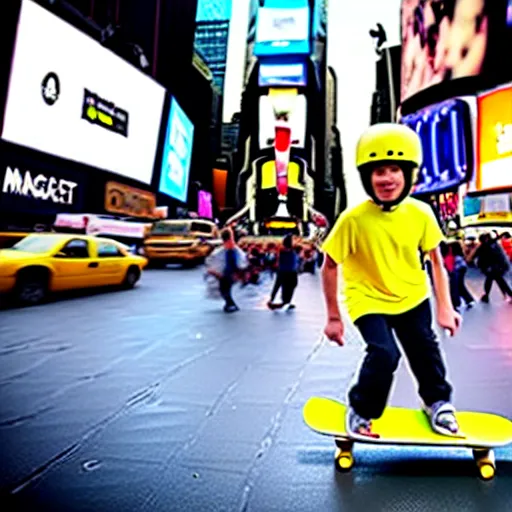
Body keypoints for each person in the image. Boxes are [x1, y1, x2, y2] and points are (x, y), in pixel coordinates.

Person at [321, 123, 462, 439]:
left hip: (412, 295)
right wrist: (333, 317)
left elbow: (437, 262)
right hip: (368, 298)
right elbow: (329, 265)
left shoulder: (421, 213)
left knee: (425, 350)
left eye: (395, 169)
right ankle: (361, 408)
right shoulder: (352, 219)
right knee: (384, 354)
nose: (386, 179)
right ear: (367, 177)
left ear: (409, 174)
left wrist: (446, 308)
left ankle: (437, 403)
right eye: (378, 171)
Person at [206, 227, 247, 313]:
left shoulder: (228, 247)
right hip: (228, 271)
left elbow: (236, 258)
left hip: (229, 271)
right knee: (224, 289)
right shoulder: (228, 247)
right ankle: (230, 304)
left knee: (224, 288)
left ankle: (230, 304)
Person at [471, 233, 512, 303]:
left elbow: (476, 256)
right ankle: (506, 294)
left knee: (494, 281)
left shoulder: (486, 246)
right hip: (498, 266)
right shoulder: (493, 244)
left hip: (494, 267)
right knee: (498, 281)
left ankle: (487, 296)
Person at [268, 234, 299, 310]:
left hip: (288, 271)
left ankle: (285, 301)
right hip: (287, 271)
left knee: (285, 285)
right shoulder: (283, 250)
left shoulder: (289, 250)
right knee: (285, 285)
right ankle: (282, 301)